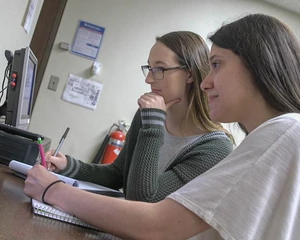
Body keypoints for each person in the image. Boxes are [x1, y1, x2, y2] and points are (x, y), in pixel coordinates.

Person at [25, 13, 300, 239]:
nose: (207, 83)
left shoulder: (277, 134)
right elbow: (120, 176)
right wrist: (68, 167)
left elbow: (152, 215)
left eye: (216, 65)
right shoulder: (272, 137)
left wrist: (54, 190)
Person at [44, 31, 234, 203]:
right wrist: (68, 165)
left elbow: (143, 200)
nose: (149, 79)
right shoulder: (148, 117)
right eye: (149, 68)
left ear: (190, 74)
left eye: (159, 69)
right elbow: (118, 174)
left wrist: (153, 126)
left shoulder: (215, 149)